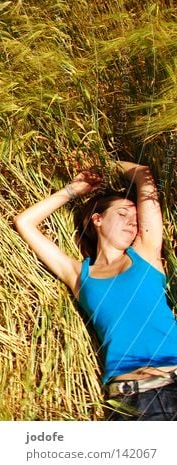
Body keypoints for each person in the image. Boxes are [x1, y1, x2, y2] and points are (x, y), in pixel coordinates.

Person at [14, 159, 177, 420]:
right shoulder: (79, 275)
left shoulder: (145, 252)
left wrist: (103, 162)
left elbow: (143, 175)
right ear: (97, 219)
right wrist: (74, 189)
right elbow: (25, 222)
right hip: (134, 402)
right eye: (123, 214)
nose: (132, 223)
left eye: (135, 218)